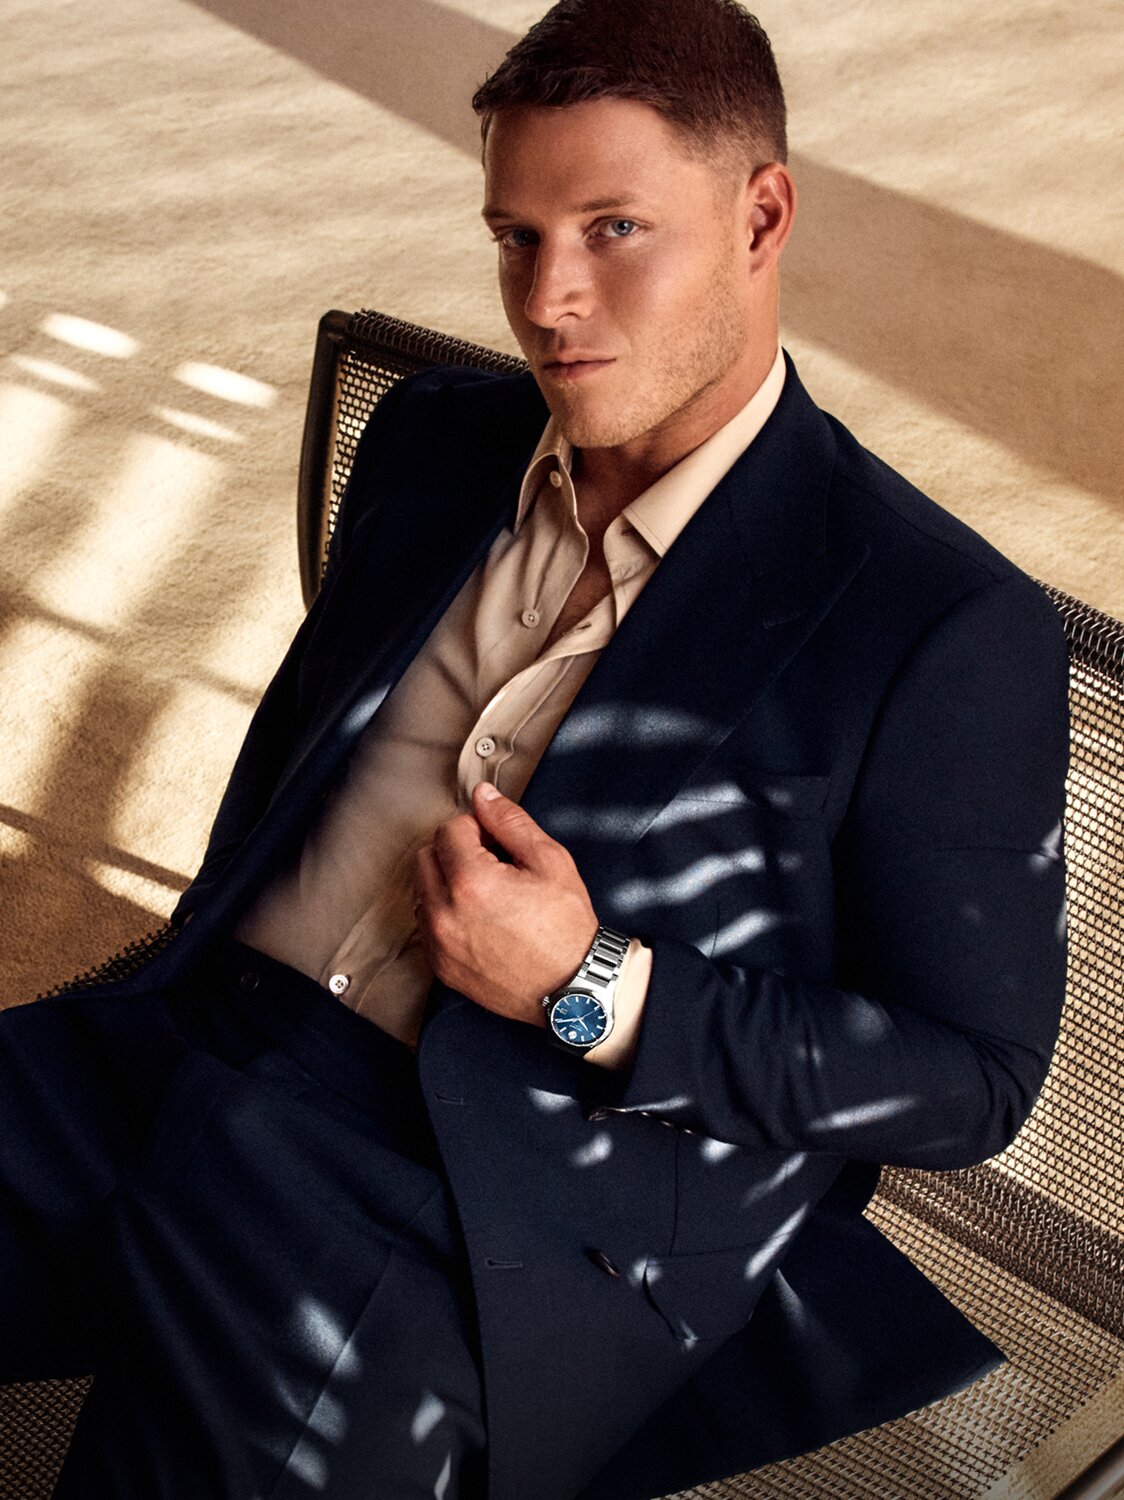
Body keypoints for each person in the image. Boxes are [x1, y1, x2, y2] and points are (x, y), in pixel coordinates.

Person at [0, 0, 1070, 1496]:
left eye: (615, 229)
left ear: (762, 216)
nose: (550, 299)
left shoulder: (937, 622)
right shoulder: (435, 440)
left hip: (445, 1195)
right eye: (516, 235)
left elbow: (974, 1079)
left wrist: (592, 984)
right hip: (181, 1038)